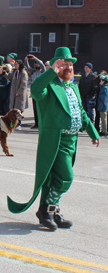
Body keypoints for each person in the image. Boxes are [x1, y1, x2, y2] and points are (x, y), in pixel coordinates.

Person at [7, 47, 99, 231]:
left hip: (71, 141)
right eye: (64, 64)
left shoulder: (72, 86)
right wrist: (51, 71)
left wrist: (93, 133)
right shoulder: (49, 85)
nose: (69, 67)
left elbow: (80, 112)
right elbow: (35, 89)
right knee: (66, 177)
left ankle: (51, 211)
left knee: (55, 179)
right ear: (57, 65)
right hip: (56, 140)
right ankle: (46, 210)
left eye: (71, 64)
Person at [4, 59, 28, 130]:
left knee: (18, 110)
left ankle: (18, 124)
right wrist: (4, 73)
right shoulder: (15, 72)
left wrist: (19, 92)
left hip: (19, 94)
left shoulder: (23, 73)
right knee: (13, 109)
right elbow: (9, 76)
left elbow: (24, 84)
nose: (16, 65)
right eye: (15, 64)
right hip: (13, 93)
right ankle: (13, 123)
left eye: (17, 64)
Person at [25, 54, 45, 129]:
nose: (37, 65)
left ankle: (41, 123)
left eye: (38, 64)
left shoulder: (43, 71)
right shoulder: (33, 71)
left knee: (40, 109)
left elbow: (42, 65)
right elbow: (28, 67)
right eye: (36, 64)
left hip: (40, 93)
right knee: (35, 109)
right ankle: (36, 123)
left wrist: (35, 59)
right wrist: (26, 60)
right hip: (34, 93)